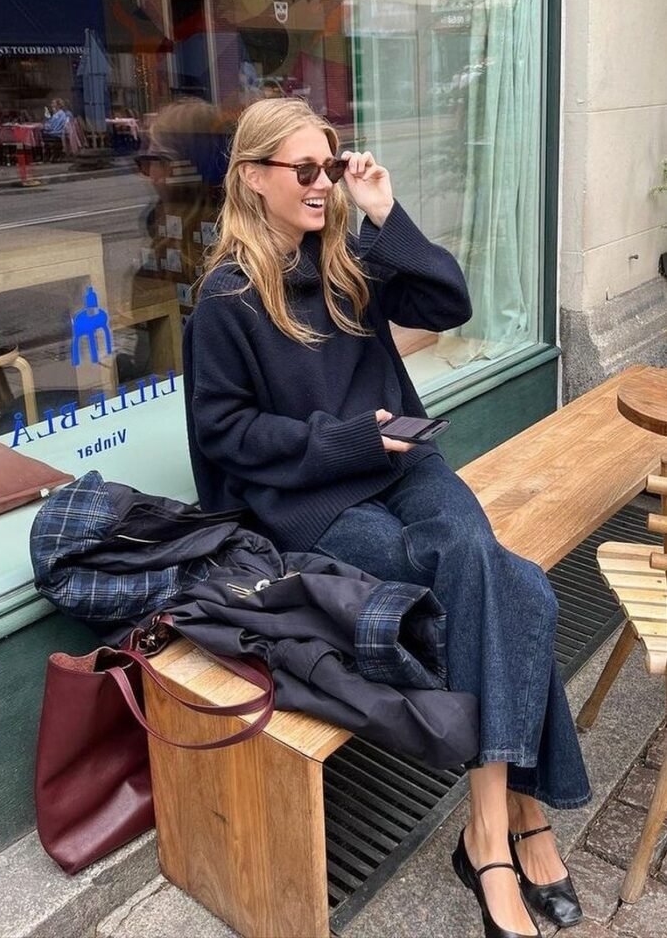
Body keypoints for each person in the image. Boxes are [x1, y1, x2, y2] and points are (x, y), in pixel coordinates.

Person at [183, 98, 590, 938]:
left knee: (477, 562)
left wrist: (384, 209)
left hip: (406, 465)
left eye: (329, 167)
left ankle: (487, 834)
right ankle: (517, 827)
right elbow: (222, 433)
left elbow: (450, 302)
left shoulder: (345, 265)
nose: (321, 184)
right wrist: (342, 443)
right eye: (305, 170)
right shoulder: (226, 297)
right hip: (314, 501)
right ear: (253, 178)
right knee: (519, 588)